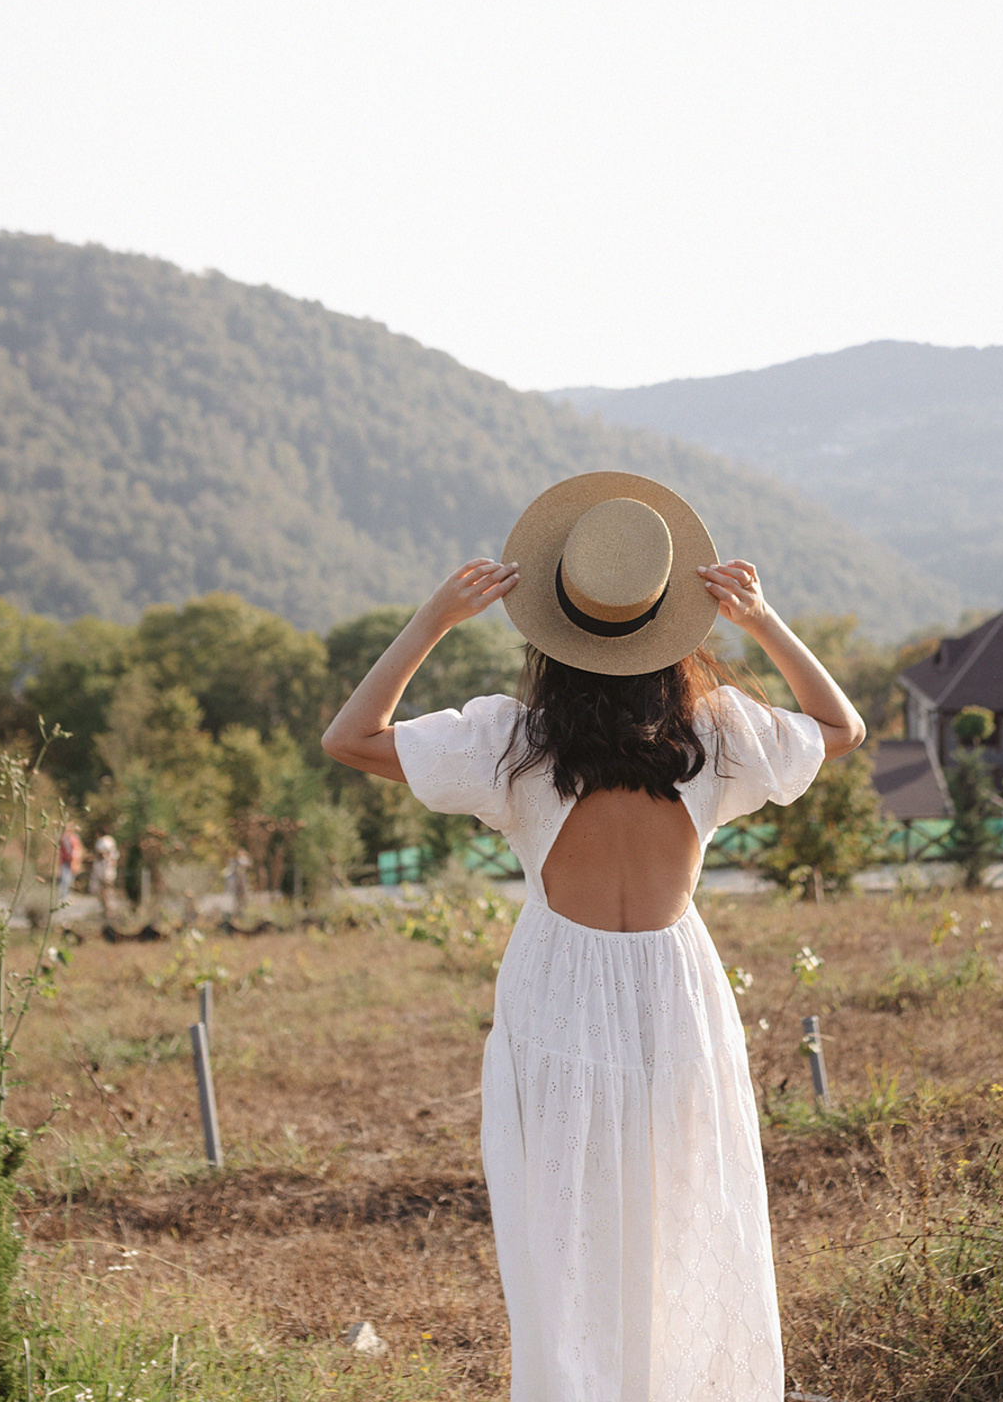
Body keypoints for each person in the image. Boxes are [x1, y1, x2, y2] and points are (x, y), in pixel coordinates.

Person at [322, 472, 865, 1401]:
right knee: (684, 1215)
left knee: (564, 1240)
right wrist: (763, 622)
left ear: (553, 630)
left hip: (557, 988)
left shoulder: (514, 742)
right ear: (669, 630)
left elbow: (350, 737)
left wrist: (433, 621)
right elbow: (840, 728)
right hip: (674, 989)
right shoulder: (718, 735)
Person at [90, 831, 121, 919]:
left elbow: (104, 853)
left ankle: (108, 910)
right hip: (107, 869)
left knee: (105, 888)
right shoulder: (111, 840)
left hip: (105, 869)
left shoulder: (103, 841)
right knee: (106, 889)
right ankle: (108, 910)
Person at [54, 821, 83, 906]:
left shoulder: (75, 838)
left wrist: (75, 860)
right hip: (65, 861)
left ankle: (66, 895)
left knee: (69, 878)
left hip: (72, 861)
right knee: (64, 878)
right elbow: (60, 850)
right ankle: (62, 896)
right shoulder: (63, 838)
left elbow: (77, 850)